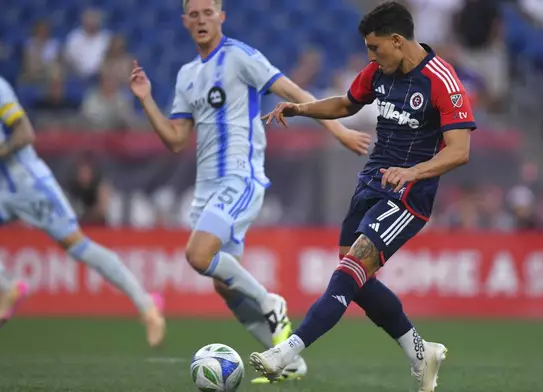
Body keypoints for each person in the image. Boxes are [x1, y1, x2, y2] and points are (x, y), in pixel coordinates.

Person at [128, 0, 371, 383]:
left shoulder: (240, 57)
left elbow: (292, 90)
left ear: (221, 16)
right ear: (185, 21)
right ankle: (289, 361)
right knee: (224, 285)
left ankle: (271, 303)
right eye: (195, 14)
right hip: (205, 189)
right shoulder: (187, 74)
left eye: (209, 12)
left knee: (197, 254)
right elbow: (176, 139)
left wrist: (338, 129)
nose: (202, 19)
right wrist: (145, 100)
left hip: (240, 177)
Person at [249, 2, 475, 391]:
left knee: (349, 270)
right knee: (356, 278)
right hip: (371, 181)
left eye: (375, 48)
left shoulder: (441, 80)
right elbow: (346, 103)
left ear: (398, 41)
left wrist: (412, 172)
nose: (370, 56)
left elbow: (460, 150)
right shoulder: (380, 71)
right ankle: (421, 352)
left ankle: (287, 351)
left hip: (407, 195)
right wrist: (301, 108)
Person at [0, 76, 165, 345]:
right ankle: (7, 287)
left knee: (78, 246)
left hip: (28, 183)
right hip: (2, 188)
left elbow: (25, 133)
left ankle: (147, 306)